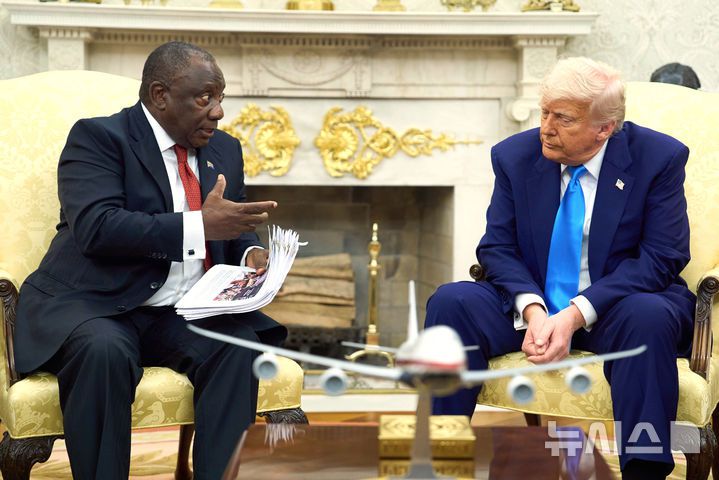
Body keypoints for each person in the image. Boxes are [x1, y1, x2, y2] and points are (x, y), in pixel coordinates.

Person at [14, 41, 286, 480]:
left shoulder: (225, 150)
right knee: (104, 351)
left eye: (220, 98)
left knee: (237, 347)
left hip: (180, 311)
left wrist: (250, 253)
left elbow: (230, 224)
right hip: (97, 304)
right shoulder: (100, 139)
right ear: (160, 95)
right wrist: (199, 226)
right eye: (205, 98)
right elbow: (98, 227)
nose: (218, 112)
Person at [426, 57, 694, 480]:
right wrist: (534, 310)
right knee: (451, 302)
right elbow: (497, 246)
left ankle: (643, 470)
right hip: (531, 306)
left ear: (604, 128)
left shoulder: (658, 158)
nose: (546, 128)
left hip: (614, 307)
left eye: (563, 118)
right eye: (544, 112)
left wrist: (575, 314)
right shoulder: (515, 156)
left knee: (649, 316)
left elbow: (663, 256)